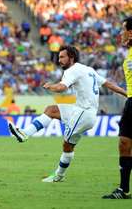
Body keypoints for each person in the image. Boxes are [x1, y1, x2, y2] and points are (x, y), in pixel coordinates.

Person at [8, 45, 127, 183]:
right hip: (80, 110)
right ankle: (25, 134)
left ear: (72, 57)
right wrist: (126, 93)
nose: (59, 60)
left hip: (84, 113)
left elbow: (62, 88)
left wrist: (50, 86)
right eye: (59, 57)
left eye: (62, 57)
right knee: (51, 110)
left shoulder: (72, 70)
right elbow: (109, 84)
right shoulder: (88, 70)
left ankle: (58, 175)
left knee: (67, 145)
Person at [102, 17, 132, 199]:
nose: (120, 34)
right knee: (124, 143)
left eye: (123, 30)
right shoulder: (129, 54)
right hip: (131, 102)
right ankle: (123, 189)